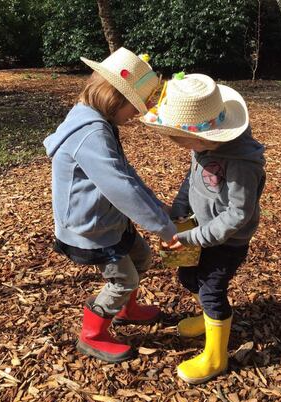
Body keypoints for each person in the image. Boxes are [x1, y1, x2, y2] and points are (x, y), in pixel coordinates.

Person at [43, 47, 177, 363]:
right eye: (134, 107)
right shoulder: (90, 132)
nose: (136, 115)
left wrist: (158, 209)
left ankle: (125, 310)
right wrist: (164, 228)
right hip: (90, 228)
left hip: (107, 218)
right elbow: (119, 187)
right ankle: (92, 336)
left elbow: (125, 175)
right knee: (125, 279)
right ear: (115, 98)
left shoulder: (95, 119)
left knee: (141, 258)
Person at [142, 73, 266, 384]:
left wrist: (192, 237)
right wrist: (179, 212)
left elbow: (238, 214)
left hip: (227, 242)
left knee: (212, 289)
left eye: (180, 139)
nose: (180, 146)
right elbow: (192, 181)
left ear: (208, 135)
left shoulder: (241, 164)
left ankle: (215, 356)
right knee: (187, 276)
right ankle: (208, 317)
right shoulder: (204, 149)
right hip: (199, 231)